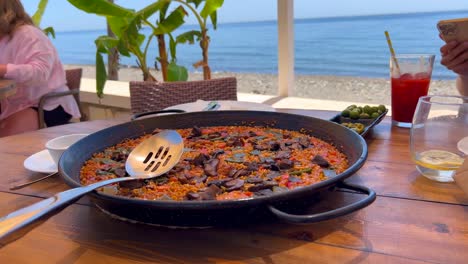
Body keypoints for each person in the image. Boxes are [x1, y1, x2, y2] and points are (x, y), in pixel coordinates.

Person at [0, 0, 81, 138]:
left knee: (5, 142)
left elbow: (40, 73)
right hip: (15, 104)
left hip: (46, 104)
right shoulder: (3, 38)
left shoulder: (29, 34)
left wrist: (3, 69)